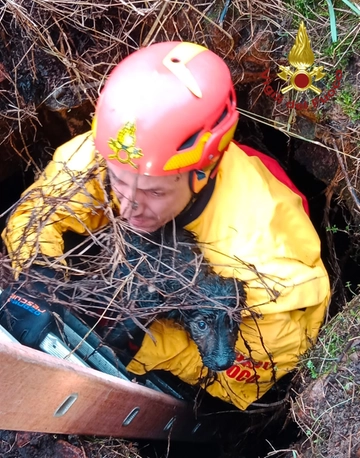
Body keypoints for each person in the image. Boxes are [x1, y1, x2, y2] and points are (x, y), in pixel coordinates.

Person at [1, 41, 330, 410]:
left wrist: (150, 346)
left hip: (265, 313)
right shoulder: (118, 153)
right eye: (118, 183)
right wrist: (38, 272)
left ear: (202, 172)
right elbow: (40, 209)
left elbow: (265, 361)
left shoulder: (265, 261)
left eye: (154, 192)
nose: (128, 208)